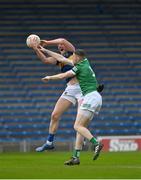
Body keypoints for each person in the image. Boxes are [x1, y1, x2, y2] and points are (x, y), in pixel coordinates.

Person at [40, 47, 104, 165]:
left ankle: (96, 143)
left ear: (78, 57)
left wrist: (49, 77)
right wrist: (44, 50)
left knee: (77, 126)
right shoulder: (85, 62)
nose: (72, 58)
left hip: (90, 97)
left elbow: (62, 76)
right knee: (81, 127)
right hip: (96, 97)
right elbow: (60, 58)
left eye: (74, 56)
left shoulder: (78, 67)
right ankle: (76, 157)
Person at [31, 38, 85, 159]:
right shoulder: (58, 59)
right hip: (70, 88)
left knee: (79, 122)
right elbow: (45, 60)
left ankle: (80, 144)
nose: (60, 45)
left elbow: (62, 40)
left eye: (61, 45)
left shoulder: (72, 52)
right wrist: (36, 49)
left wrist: (46, 43)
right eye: (58, 45)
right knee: (55, 115)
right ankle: (49, 143)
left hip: (82, 88)